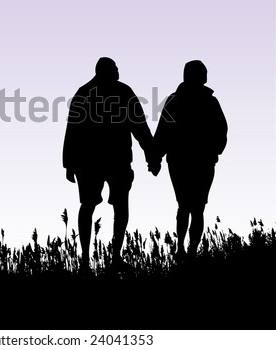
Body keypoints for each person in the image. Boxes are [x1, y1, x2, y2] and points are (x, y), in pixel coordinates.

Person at [63, 57, 160, 272]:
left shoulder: (88, 92)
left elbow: (139, 126)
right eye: (115, 68)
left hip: (102, 161)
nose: (118, 71)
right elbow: (74, 129)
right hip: (104, 161)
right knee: (104, 207)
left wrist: (151, 155)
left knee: (107, 206)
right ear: (105, 71)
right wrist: (152, 155)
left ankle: (100, 259)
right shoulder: (116, 92)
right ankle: (94, 260)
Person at [154, 60, 228, 259]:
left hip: (185, 160)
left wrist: (155, 157)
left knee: (188, 206)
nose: (206, 76)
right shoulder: (207, 101)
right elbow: (222, 130)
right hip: (197, 160)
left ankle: (185, 249)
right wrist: (215, 151)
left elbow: (162, 132)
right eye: (203, 73)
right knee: (195, 207)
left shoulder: (177, 100)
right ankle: (186, 249)